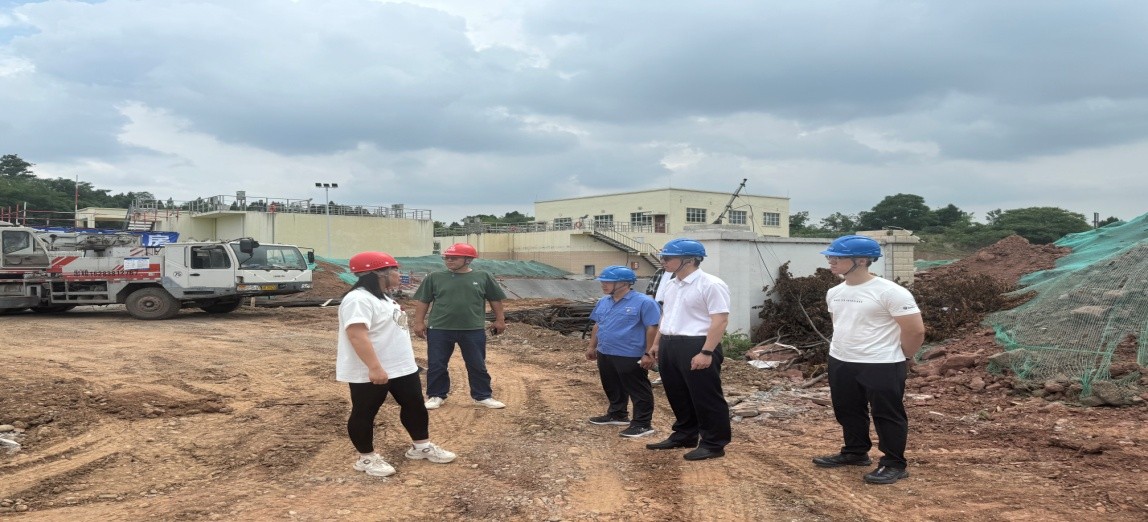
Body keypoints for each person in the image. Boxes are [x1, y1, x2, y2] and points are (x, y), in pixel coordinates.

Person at [812, 235, 925, 485]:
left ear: (862, 260)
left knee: (887, 414)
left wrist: (904, 356)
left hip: (881, 363)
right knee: (847, 409)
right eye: (830, 256)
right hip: (841, 360)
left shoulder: (891, 292)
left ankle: (894, 463)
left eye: (837, 257)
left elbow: (915, 331)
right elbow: (840, 324)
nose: (831, 261)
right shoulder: (834, 292)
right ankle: (855, 452)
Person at [336, 251, 457, 477]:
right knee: (365, 412)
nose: (398, 274)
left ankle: (421, 447)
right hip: (372, 369)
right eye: (394, 269)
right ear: (378, 273)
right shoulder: (358, 299)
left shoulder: (383, 297)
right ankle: (366, 458)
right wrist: (374, 367)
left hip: (401, 367)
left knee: (415, 406)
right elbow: (356, 335)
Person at [644, 238, 732, 461]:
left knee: (705, 395)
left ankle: (714, 443)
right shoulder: (671, 284)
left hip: (697, 343)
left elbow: (720, 320)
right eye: (663, 257)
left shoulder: (711, 284)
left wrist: (706, 352)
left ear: (690, 260)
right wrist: (657, 343)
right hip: (670, 343)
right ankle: (685, 434)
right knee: (677, 392)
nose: (663, 261)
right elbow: (666, 315)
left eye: (668, 257)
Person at [412, 243, 508, 410]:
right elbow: (423, 301)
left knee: (477, 364)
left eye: (454, 258)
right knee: (437, 364)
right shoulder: (434, 277)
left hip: (473, 329)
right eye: (447, 258)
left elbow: (495, 299)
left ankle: (483, 396)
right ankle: (436, 395)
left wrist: (500, 320)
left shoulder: (483, 277)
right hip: (439, 328)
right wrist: (419, 322)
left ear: (468, 259)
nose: (449, 261)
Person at [586, 265, 661, 438]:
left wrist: (649, 353)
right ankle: (617, 414)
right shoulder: (603, 301)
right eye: (603, 281)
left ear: (625, 283)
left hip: (630, 353)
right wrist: (592, 346)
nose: (603, 285)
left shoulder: (644, 302)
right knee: (612, 385)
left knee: (638, 389)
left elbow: (653, 328)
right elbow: (598, 324)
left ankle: (642, 424)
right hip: (606, 351)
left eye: (608, 282)